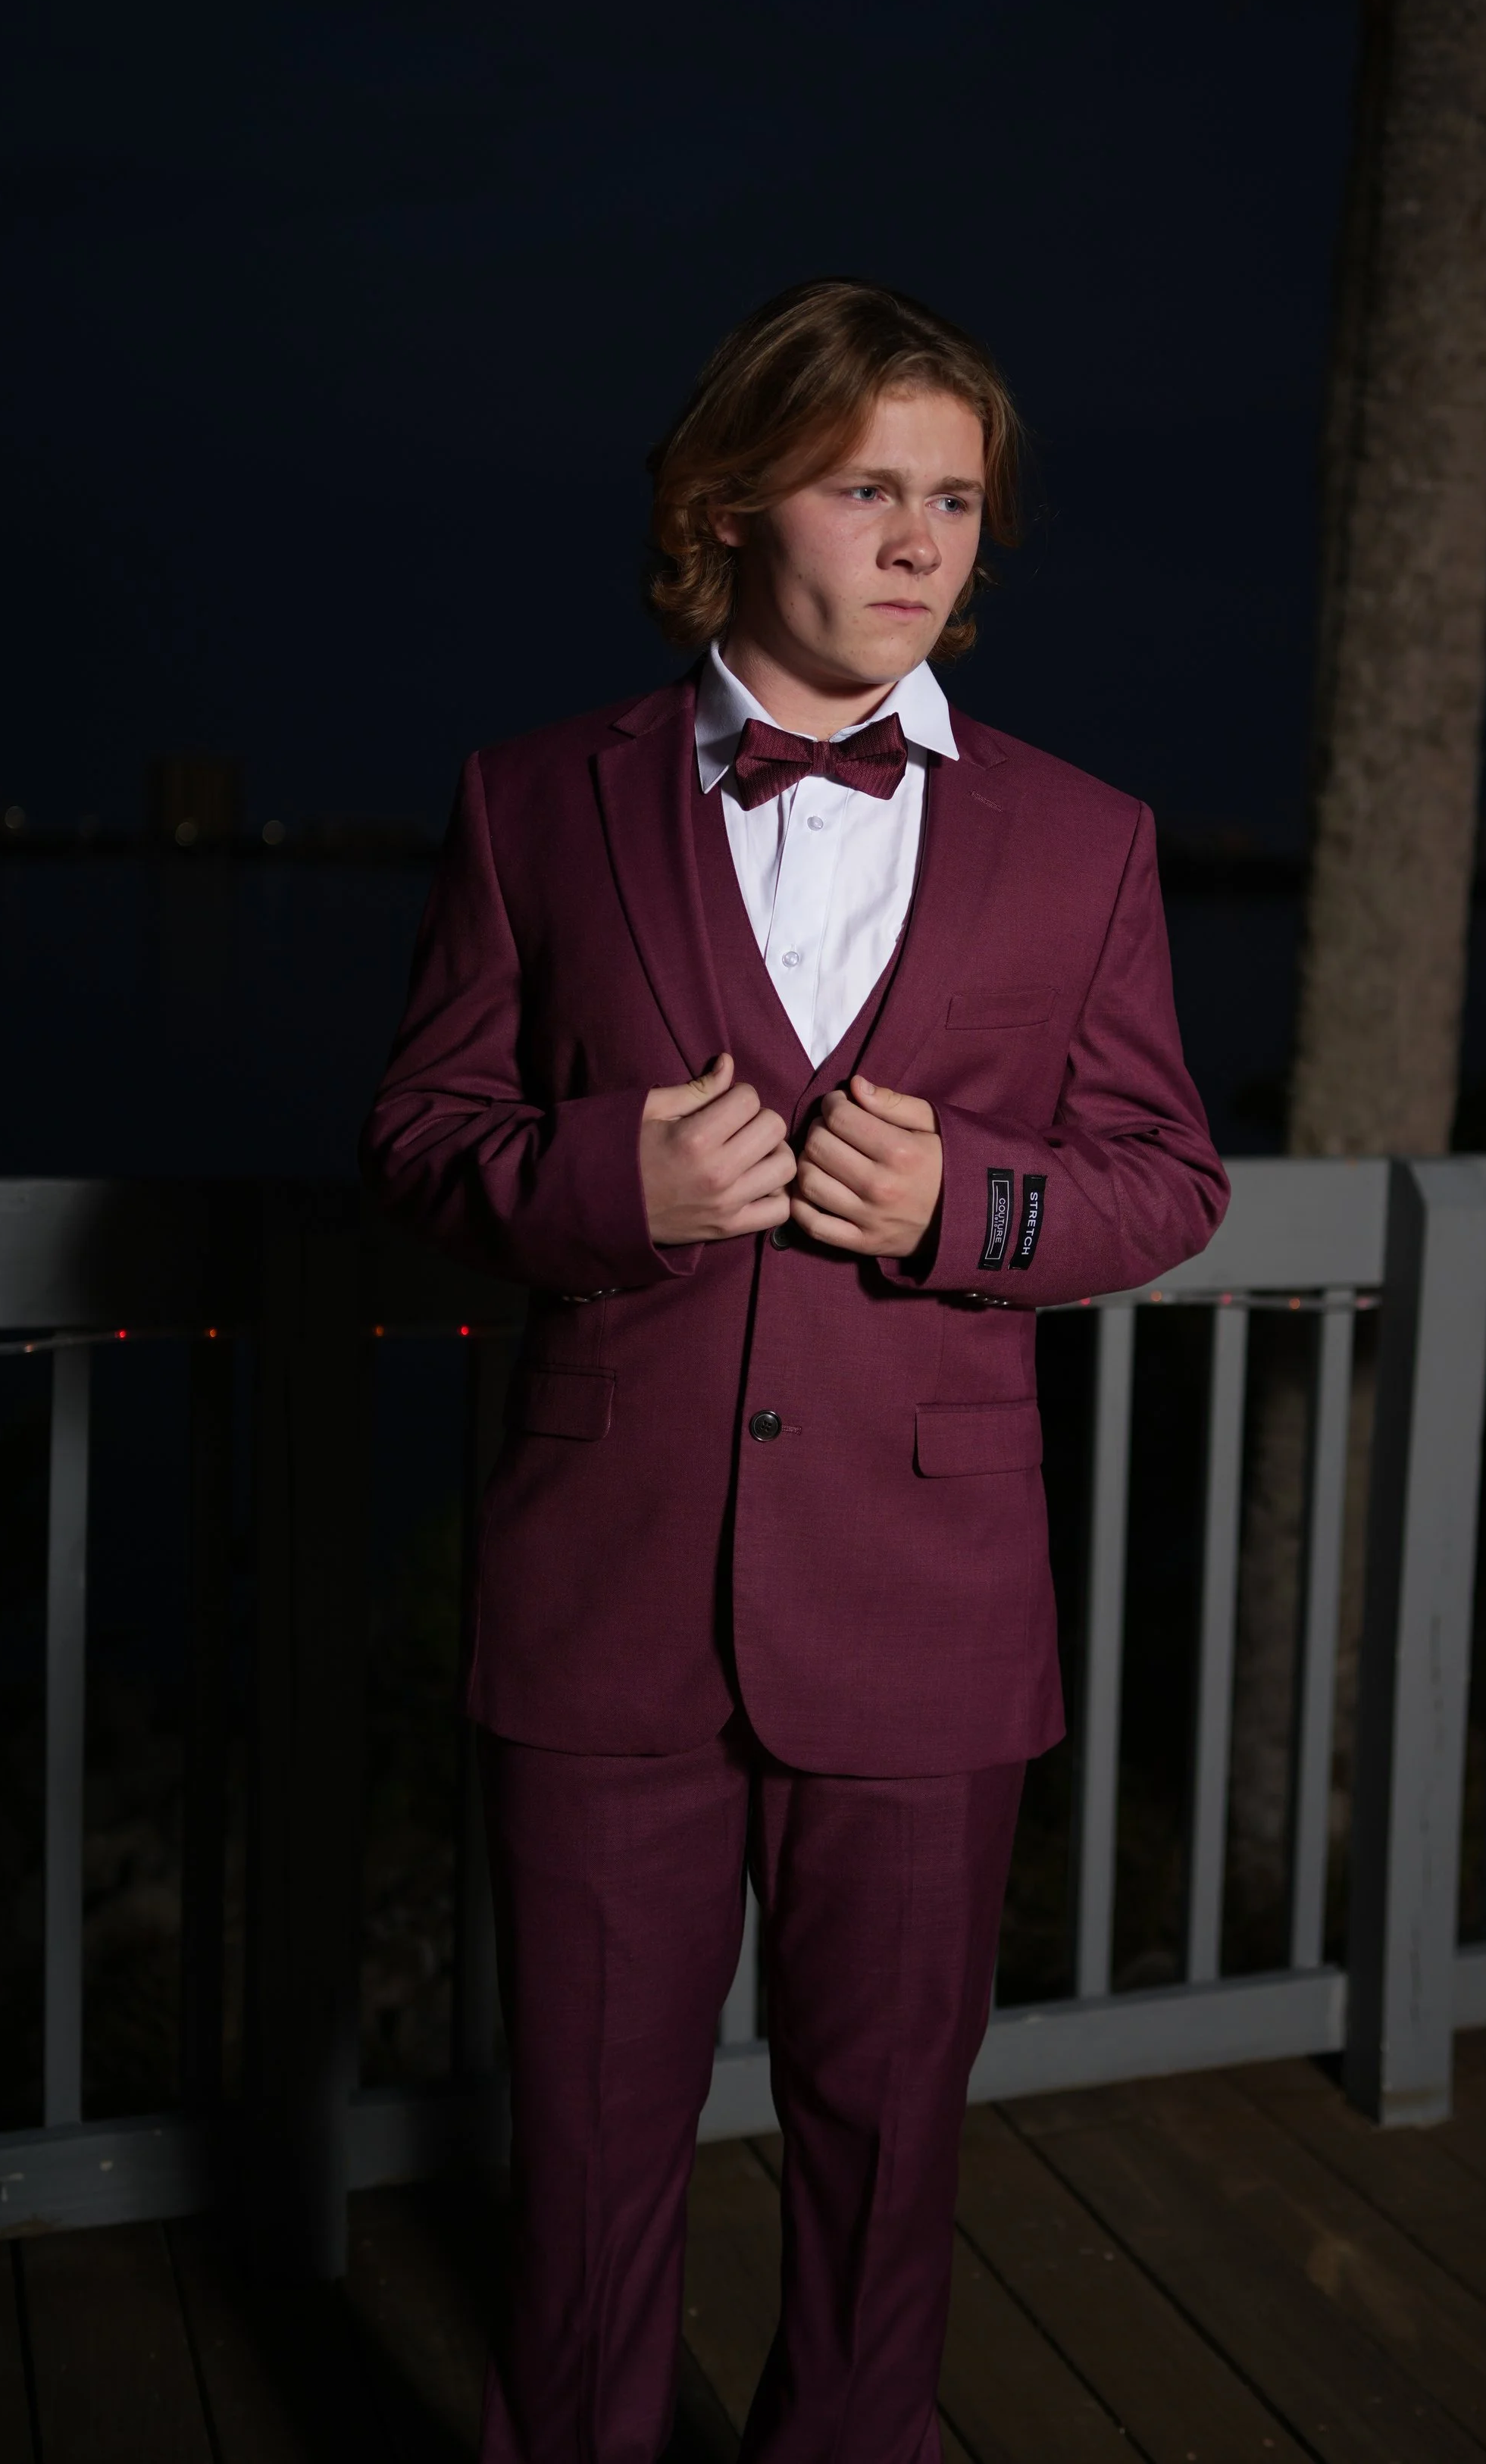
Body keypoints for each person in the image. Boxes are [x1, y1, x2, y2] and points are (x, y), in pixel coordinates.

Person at [361, 279, 1228, 2463]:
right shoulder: (529, 802)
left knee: (885, 2155)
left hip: (929, 1610)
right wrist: (606, 1178)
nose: (921, 539)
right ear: (727, 505)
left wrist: (969, 1204)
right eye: (865, 488)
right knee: (582, 2154)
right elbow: (422, 1135)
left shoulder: (1087, 837)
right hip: (606, 1591)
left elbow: (1165, 1181)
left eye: (957, 498)